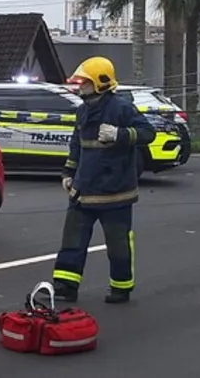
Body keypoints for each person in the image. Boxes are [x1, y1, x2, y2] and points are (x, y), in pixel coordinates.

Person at [51, 57, 156, 305]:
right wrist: (68, 174)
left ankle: (121, 287)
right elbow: (77, 146)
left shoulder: (121, 108)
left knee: (118, 244)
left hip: (115, 193)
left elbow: (148, 133)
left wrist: (120, 134)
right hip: (83, 190)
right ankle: (65, 287)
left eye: (84, 83)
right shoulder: (83, 110)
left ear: (100, 83)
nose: (79, 88)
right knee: (72, 241)